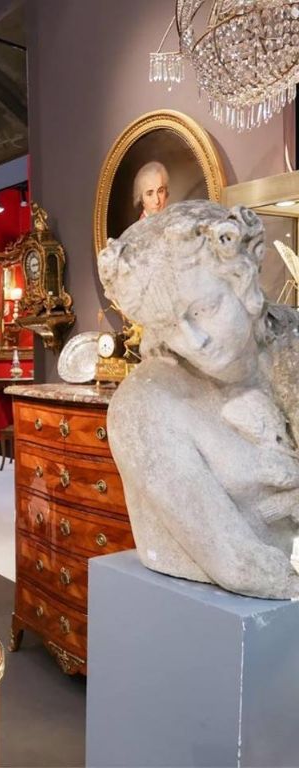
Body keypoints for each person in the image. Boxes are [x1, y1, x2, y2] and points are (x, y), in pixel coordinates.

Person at [98, 200, 299, 599]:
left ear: (241, 281)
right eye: (167, 326)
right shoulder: (145, 405)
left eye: (204, 309)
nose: (195, 341)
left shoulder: (290, 344)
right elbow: (242, 565)